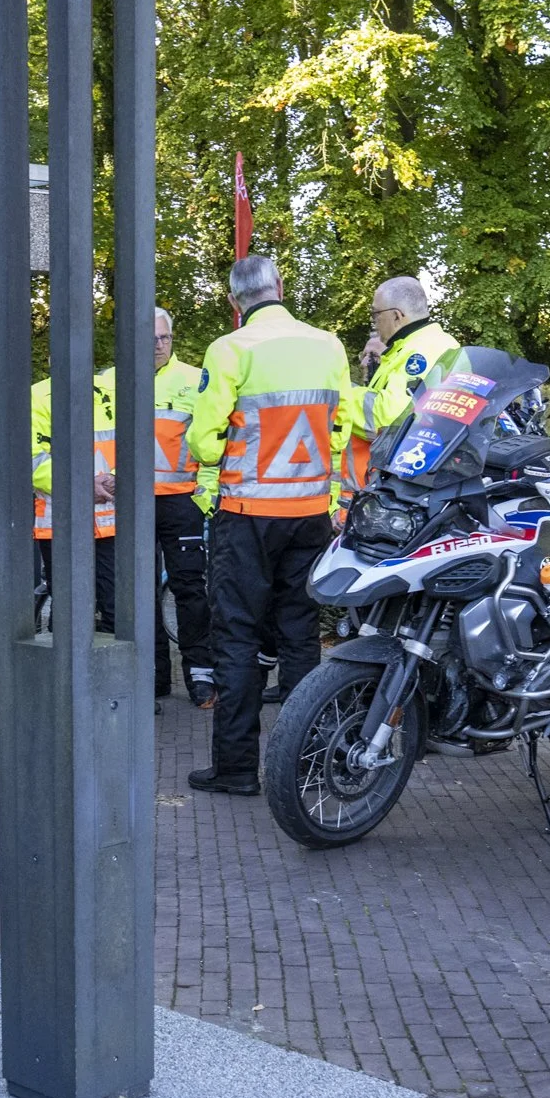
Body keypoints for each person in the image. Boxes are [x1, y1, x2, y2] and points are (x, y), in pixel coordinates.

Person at [186, 256, 351, 796]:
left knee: (236, 637)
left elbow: (204, 439)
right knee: (300, 635)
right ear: (280, 287)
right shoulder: (329, 345)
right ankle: (306, 759)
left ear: (236, 302)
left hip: (248, 515)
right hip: (308, 513)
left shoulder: (230, 349)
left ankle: (236, 769)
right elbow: (342, 428)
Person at [128, 309, 216, 707]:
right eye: (151, 339)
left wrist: (206, 495)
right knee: (139, 593)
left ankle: (201, 674)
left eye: (164, 338)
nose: (159, 345)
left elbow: (217, 440)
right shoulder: (116, 382)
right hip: (131, 503)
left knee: (190, 589)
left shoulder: (196, 380)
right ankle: (153, 676)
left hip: (183, 501)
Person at [346, 276, 462, 500]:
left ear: (397, 316)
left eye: (375, 315)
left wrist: (337, 393)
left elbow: (386, 419)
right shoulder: (418, 346)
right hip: (409, 476)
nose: (374, 322)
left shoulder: (421, 351)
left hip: (406, 481)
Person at [32, 373, 118, 634]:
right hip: (61, 524)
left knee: (117, 610)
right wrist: (82, 485)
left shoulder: (111, 392)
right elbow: (32, 461)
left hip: (111, 523)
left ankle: (110, 675)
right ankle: (62, 674)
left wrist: (116, 476)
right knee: (69, 613)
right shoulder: (36, 397)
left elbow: (136, 443)